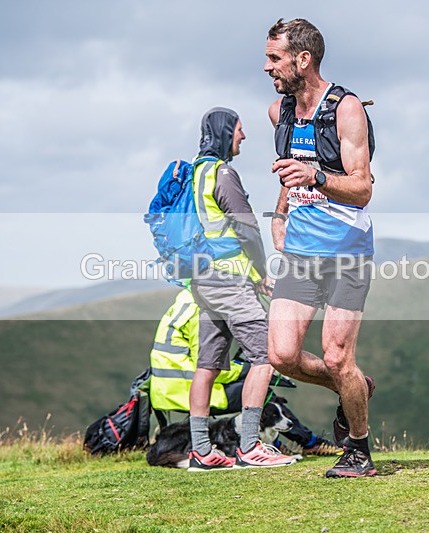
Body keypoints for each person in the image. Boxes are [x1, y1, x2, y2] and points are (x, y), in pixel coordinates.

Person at [263, 19, 378, 478]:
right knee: (283, 355)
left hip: (347, 249)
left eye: (275, 58)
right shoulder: (279, 113)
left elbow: (363, 187)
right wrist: (279, 222)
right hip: (300, 252)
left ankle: (358, 449)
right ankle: (356, 388)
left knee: (335, 355)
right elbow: (287, 176)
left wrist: (317, 178)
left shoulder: (346, 109)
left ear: (302, 59)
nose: (266, 66)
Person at [183, 107, 296, 471]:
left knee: (208, 363)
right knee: (265, 354)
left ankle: (201, 450)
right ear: (224, 132)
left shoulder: (194, 174)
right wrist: (261, 272)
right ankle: (249, 445)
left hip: (202, 281)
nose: (243, 136)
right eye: (239, 130)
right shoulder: (223, 173)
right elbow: (246, 228)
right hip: (230, 280)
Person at [147, 286, 341, 457]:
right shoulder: (199, 313)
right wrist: (244, 369)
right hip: (185, 392)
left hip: (168, 391)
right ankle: (309, 443)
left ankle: (277, 444)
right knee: (264, 393)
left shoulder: (184, 304)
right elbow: (207, 366)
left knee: (254, 385)